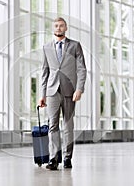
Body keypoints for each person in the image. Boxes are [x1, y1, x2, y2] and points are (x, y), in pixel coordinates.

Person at [38, 17, 87, 170]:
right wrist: (42, 95)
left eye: (61, 26)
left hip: (69, 91)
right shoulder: (46, 47)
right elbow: (44, 72)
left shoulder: (75, 46)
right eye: (56, 26)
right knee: (52, 125)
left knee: (68, 125)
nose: (58, 28)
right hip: (52, 91)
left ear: (66, 28)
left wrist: (79, 89)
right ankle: (53, 158)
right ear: (53, 28)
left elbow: (81, 69)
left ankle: (67, 157)